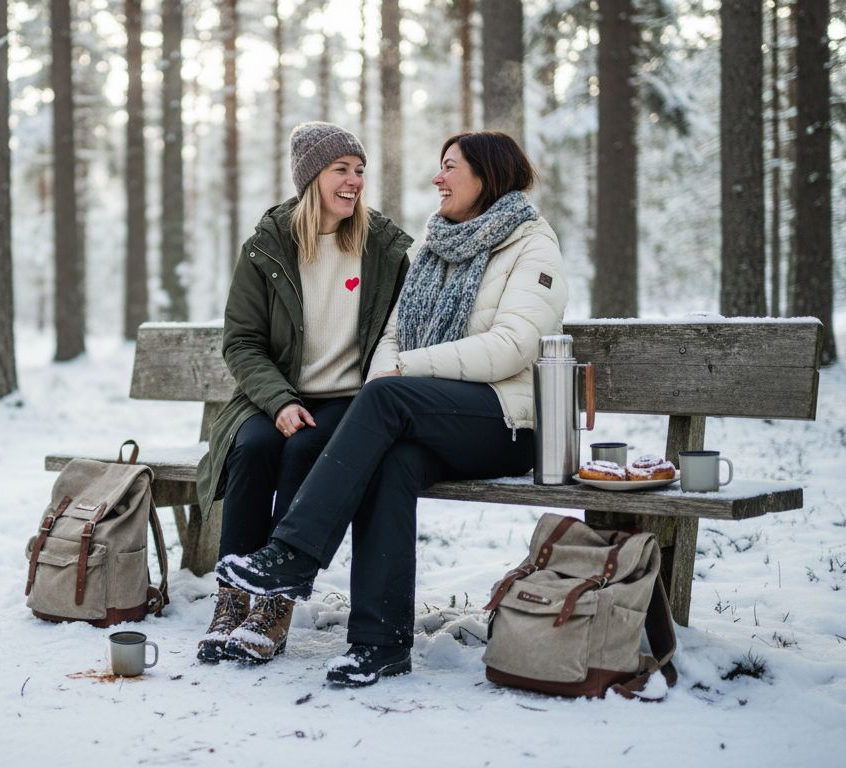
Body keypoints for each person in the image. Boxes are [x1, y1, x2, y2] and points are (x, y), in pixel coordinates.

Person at [215, 131, 569, 686]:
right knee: (390, 461)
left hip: (506, 422)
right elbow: (393, 337)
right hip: (437, 418)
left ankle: (292, 555)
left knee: (382, 398)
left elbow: (513, 346)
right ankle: (381, 644)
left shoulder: (531, 245)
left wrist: (405, 372)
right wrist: (393, 372)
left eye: (450, 167)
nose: (438, 178)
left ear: (487, 177)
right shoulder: (432, 248)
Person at [195, 122, 413, 664]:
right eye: (341, 169)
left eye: (359, 170)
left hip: (353, 401)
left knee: (303, 448)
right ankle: (233, 595)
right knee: (253, 448)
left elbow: (405, 329)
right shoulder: (268, 247)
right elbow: (242, 341)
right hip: (276, 393)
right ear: (310, 177)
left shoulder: (383, 247)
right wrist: (280, 401)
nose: (353, 181)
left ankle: (275, 602)